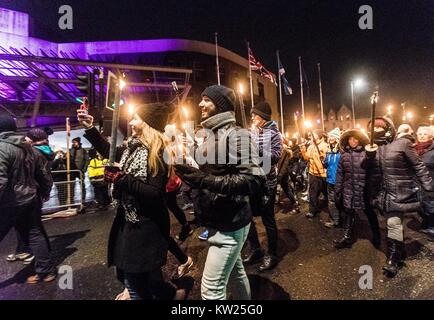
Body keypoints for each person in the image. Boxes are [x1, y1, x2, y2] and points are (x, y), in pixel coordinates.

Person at [78, 102, 186, 300]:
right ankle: (170, 294)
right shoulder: (133, 148)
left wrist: (120, 178)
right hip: (130, 220)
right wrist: (89, 127)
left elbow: (155, 192)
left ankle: (167, 294)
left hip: (146, 225)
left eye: (136, 118)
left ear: (147, 124)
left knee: (134, 284)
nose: (131, 121)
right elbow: (108, 150)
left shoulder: (157, 152)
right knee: (146, 278)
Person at [174, 85, 265, 300]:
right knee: (235, 271)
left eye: (207, 100)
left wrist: (203, 180)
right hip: (219, 220)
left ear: (221, 105)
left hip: (230, 223)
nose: (200, 104)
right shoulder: (212, 135)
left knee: (211, 290)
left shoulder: (238, 135)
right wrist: (188, 155)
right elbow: (214, 165)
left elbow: (253, 180)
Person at [367, 122, 434, 277]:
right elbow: (368, 170)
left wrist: (429, 186)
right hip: (382, 194)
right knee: (393, 224)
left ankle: (393, 259)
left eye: (379, 127)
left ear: (389, 129)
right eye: (373, 128)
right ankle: (400, 249)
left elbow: (418, 166)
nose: (376, 130)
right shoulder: (374, 148)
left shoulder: (403, 144)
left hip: (399, 192)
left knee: (393, 224)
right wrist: (368, 156)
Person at [0, 116, 55, 283]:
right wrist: (45, 191)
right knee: (35, 233)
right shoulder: (28, 148)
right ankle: (46, 272)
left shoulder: (2, 147)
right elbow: (42, 174)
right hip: (29, 198)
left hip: (9, 202)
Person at [243, 101, 282, 272]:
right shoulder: (253, 132)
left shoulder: (274, 134)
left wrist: (255, 150)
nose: (252, 117)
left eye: (254, 115)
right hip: (253, 181)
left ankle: (272, 254)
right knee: (247, 217)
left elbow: (274, 156)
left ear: (263, 117)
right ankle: (256, 249)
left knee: (268, 220)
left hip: (267, 183)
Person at [333, 129, 370, 249]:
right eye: (350, 139)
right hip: (349, 189)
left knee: (369, 213)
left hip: (363, 189)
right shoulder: (344, 155)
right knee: (349, 211)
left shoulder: (366, 154)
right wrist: (338, 190)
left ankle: (376, 235)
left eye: (355, 138)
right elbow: (340, 174)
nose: (352, 141)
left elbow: (372, 172)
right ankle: (347, 236)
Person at [301, 129, 328, 218]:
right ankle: (312, 210)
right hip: (313, 173)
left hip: (323, 174)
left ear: (319, 136)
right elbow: (306, 158)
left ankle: (331, 209)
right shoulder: (311, 146)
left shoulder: (324, 146)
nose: (312, 136)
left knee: (326, 192)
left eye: (314, 135)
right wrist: (303, 150)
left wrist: (323, 157)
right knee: (313, 192)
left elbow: (327, 160)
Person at [416, 125, 434, 239]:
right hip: (417, 184)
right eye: (420, 134)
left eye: (425, 134)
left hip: (431, 183)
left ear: (431, 136)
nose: (422, 136)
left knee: (431, 206)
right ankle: (427, 222)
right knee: (420, 206)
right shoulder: (413, 149)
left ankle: (432, 227)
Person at [323, 128, 342, 228]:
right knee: (331, 201)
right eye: (329, 136)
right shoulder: (328, 151)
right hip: (330, 180)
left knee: (339, 201)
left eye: (332, 136)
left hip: (340, 181)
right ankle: (335, 220)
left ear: (337, 138)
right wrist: (324, 162)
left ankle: (341, 219)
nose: (330, 138)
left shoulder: (341, 151)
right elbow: (327, 165)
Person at [277, 137, 299, 214]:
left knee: (286, 189)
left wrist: (279, 175)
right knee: (286, 189)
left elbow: (284, 164)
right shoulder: (280, 148)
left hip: (281, 173)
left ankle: (295, 205)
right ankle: (295, 205)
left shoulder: (284, 149)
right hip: (282, 173)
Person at [70, 137, 89, 202]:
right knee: (71, 186)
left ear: (78, 142)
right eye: (73, 142)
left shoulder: (83, 151)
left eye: (74, 142)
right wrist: (72, 149)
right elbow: (70, 158)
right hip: (72, 171)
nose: (73, 143)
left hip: (80, 171)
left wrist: (84, 169)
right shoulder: (71, 150)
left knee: (82, 185)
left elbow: (87, 160)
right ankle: (71, 199)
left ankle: (83, 198)